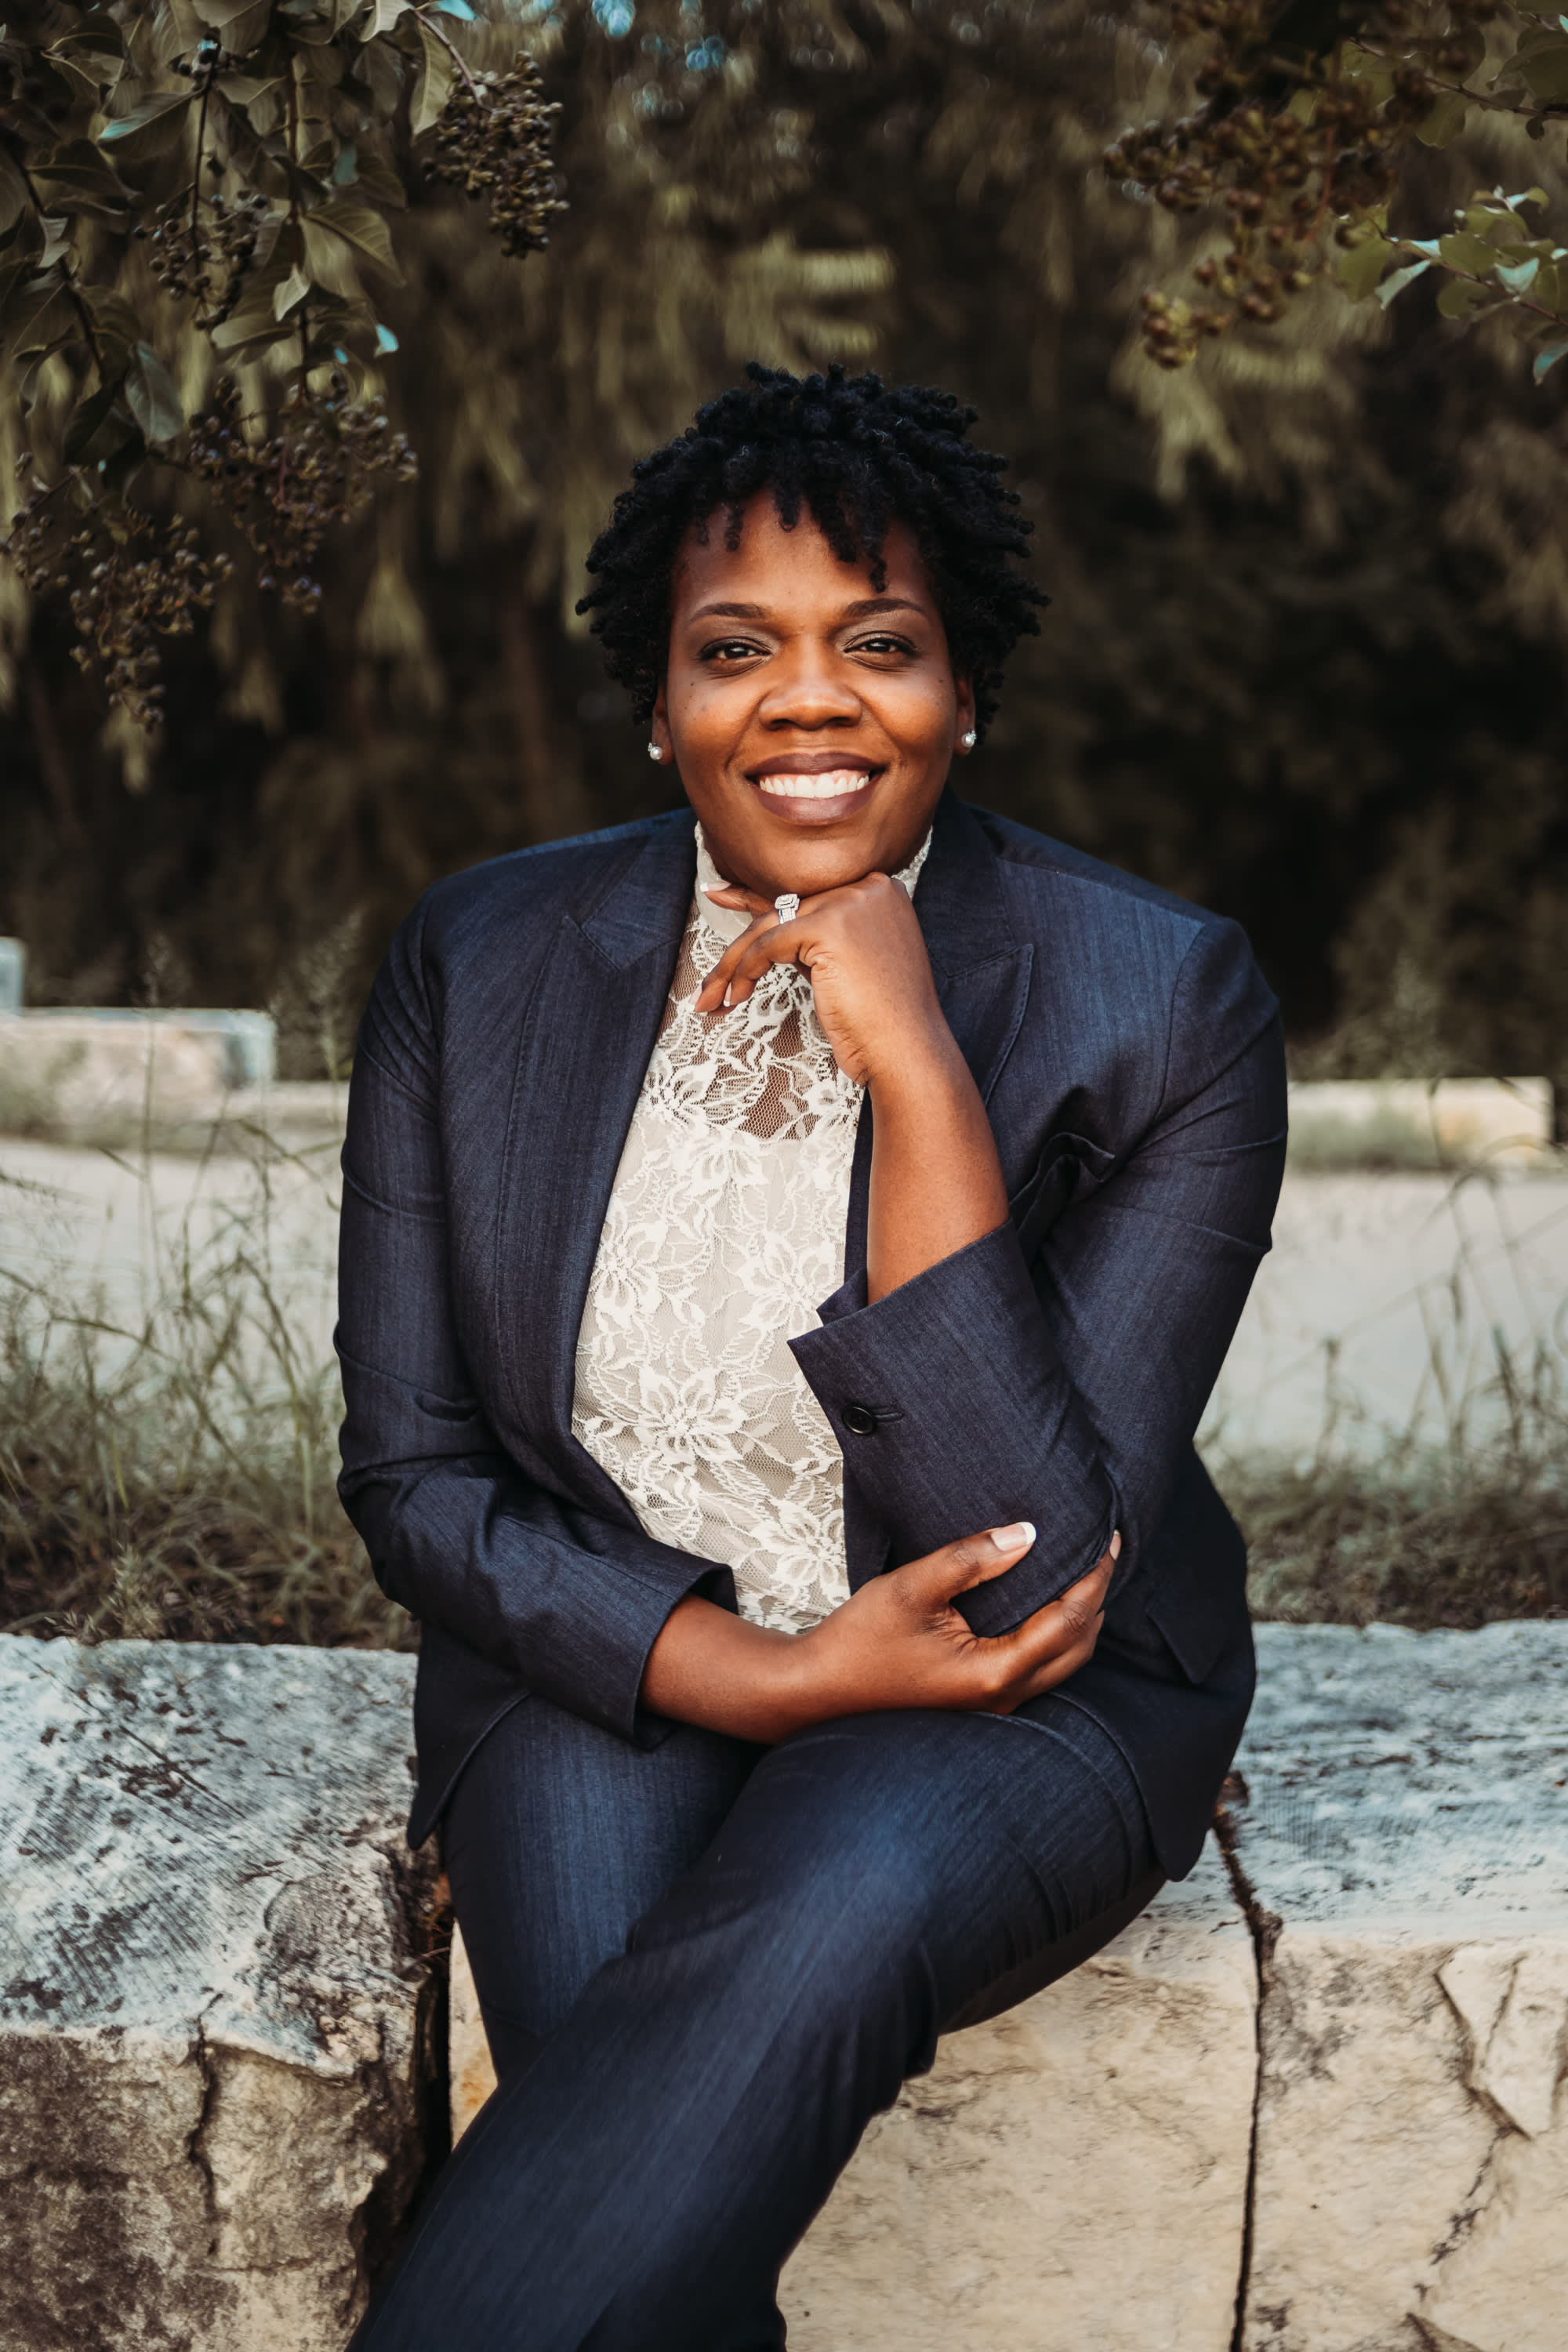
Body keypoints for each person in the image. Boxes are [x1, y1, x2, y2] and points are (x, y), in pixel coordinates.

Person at [337, 364, 1287, 2350]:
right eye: (733, 649)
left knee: (791, 1942)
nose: (807, 700)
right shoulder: (478, 960)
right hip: (602, 1651)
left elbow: (1027, 1569)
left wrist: (917, 1068)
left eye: (879, 643)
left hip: (1026, 1705)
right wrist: (759, 1676)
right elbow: (417, 1478)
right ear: (656, 699)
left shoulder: (1165, 998)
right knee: (644, 2192)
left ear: (967, 687)